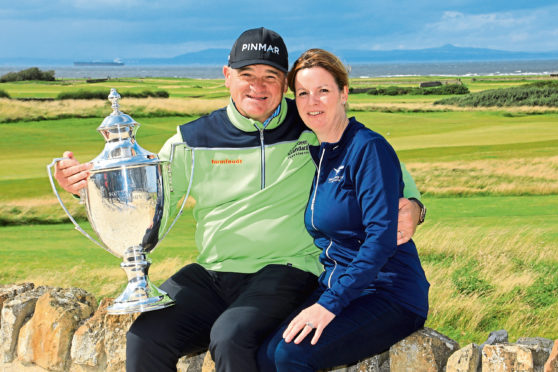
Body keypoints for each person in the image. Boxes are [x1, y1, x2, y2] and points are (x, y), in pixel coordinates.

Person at [53, 28, 426, 372]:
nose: (258, 87)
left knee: (231, 338)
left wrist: (412, 201)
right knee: (145, 337)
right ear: (227, 75)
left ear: (284, 85)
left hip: (286, 269)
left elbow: (373, 158)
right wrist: (92, 188)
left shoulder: (310, 123)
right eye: (247, 75)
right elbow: (146, 203)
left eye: (271, 77)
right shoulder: (191, 140)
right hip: (213, 271)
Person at [257, 49, 429, 372]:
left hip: (388, 292)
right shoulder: (320, 153)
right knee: (265, 356)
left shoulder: (369, 149)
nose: (312, 102)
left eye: (323, 91)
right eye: (304, 94)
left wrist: (328, 306)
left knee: (291, 356)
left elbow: (380, 239)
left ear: (344, 93)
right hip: (341, 285)